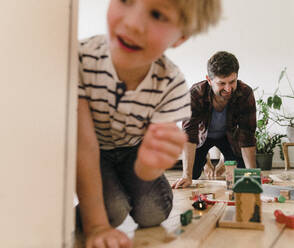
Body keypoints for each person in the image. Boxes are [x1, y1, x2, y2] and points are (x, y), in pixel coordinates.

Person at [76, 0, 222, 247]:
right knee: (112, 210)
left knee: (153, 213)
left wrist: (151, 164)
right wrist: (97, 226)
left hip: (134, 150)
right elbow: (84, 147)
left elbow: (148, 165)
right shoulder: (82, 59)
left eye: (157, 14)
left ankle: (120, 188)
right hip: (95, 151)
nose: (132, 23)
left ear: (181, 37)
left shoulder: (171, 82)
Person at [172, 51, 257, 189]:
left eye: (232, 82)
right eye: (222, 83)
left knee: (244, 174)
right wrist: (186, 176)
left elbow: (247, 135)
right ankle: (206, 160)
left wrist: (252, 175)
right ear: (209, 80)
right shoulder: (195, 94)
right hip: (202, 137)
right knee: (192, 174)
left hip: (228, 136)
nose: (228, 89)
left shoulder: (245, 93)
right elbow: (189, 135)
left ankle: (224, 159)